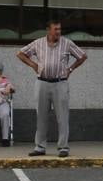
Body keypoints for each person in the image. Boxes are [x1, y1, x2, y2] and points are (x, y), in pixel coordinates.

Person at [17, 19, 87, 158]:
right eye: (56, 30)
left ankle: (63, 147)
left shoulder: (67, 43)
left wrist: (71, 68)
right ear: (48, 30)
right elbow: (20, 53)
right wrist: (33, 64)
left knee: (62, 116)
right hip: (42, 83)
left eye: (60, 29)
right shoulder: (38, 43)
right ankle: (40, 146)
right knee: (41, 116)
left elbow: (82, 56)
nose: (58, 32)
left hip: (60, 83)